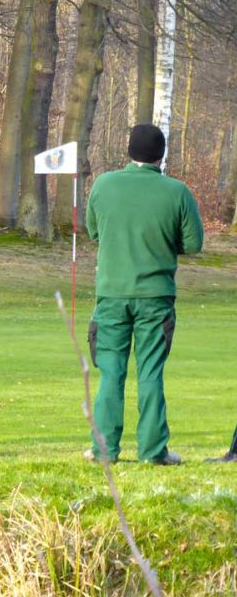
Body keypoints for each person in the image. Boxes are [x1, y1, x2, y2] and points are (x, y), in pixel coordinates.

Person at [85, 124, 204, 465]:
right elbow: (194, 243)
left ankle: (104, 450)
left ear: (128, 151)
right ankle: (153, 451)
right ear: (161, 155)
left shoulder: (104, 185)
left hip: (111, 294)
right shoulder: (177, 192)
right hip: (156, 297)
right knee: (151, 372)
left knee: (111, 372)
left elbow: (95, 231)